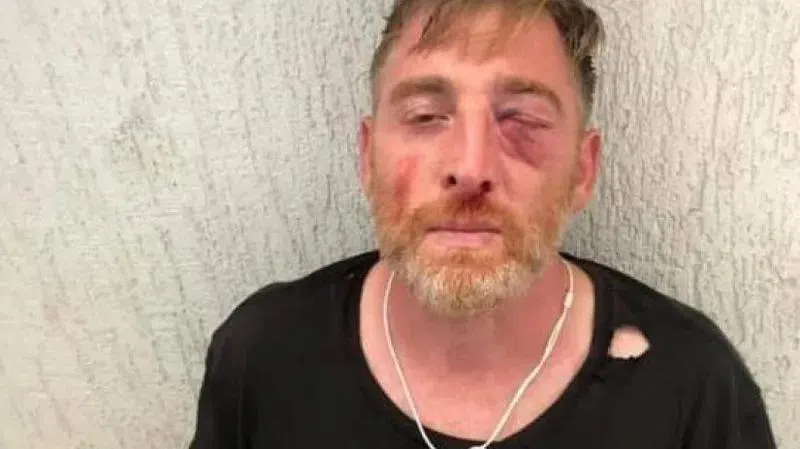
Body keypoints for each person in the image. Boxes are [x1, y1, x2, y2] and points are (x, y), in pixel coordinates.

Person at [188, 0, 777, 447]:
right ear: (367, 158)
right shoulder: (264, 355)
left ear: (583, 170)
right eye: (425, 115)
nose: (470, 168)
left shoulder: (692, 385)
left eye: (522, 119)